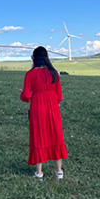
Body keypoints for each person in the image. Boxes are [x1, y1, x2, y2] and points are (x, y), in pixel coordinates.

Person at [20, 47, 67, 179]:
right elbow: (59, 95)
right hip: (53, 106)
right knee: (56, 135)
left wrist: (24, 94)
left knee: (39, 136)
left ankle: (39, 172)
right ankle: (59, 171)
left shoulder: (30, 74)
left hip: (37, 106)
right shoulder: (54, 73)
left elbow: (26, 95)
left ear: (34, 58)